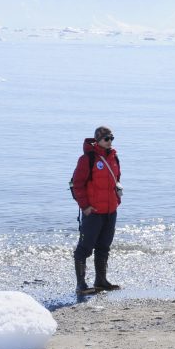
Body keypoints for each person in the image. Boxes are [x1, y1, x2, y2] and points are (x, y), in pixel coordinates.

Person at [70, 126, 122, 295]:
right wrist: (84, 206)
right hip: (93, 212)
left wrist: (116, 201)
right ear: (98, 139)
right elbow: (76, 184)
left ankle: (101, 281)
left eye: (111, 138)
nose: (110, 142)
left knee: (104, 246)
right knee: (84, 248)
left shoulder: (114, 157)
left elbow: (117, 180)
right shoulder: (87, 159)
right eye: (106, 138)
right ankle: (81, 285)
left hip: (110, 210)